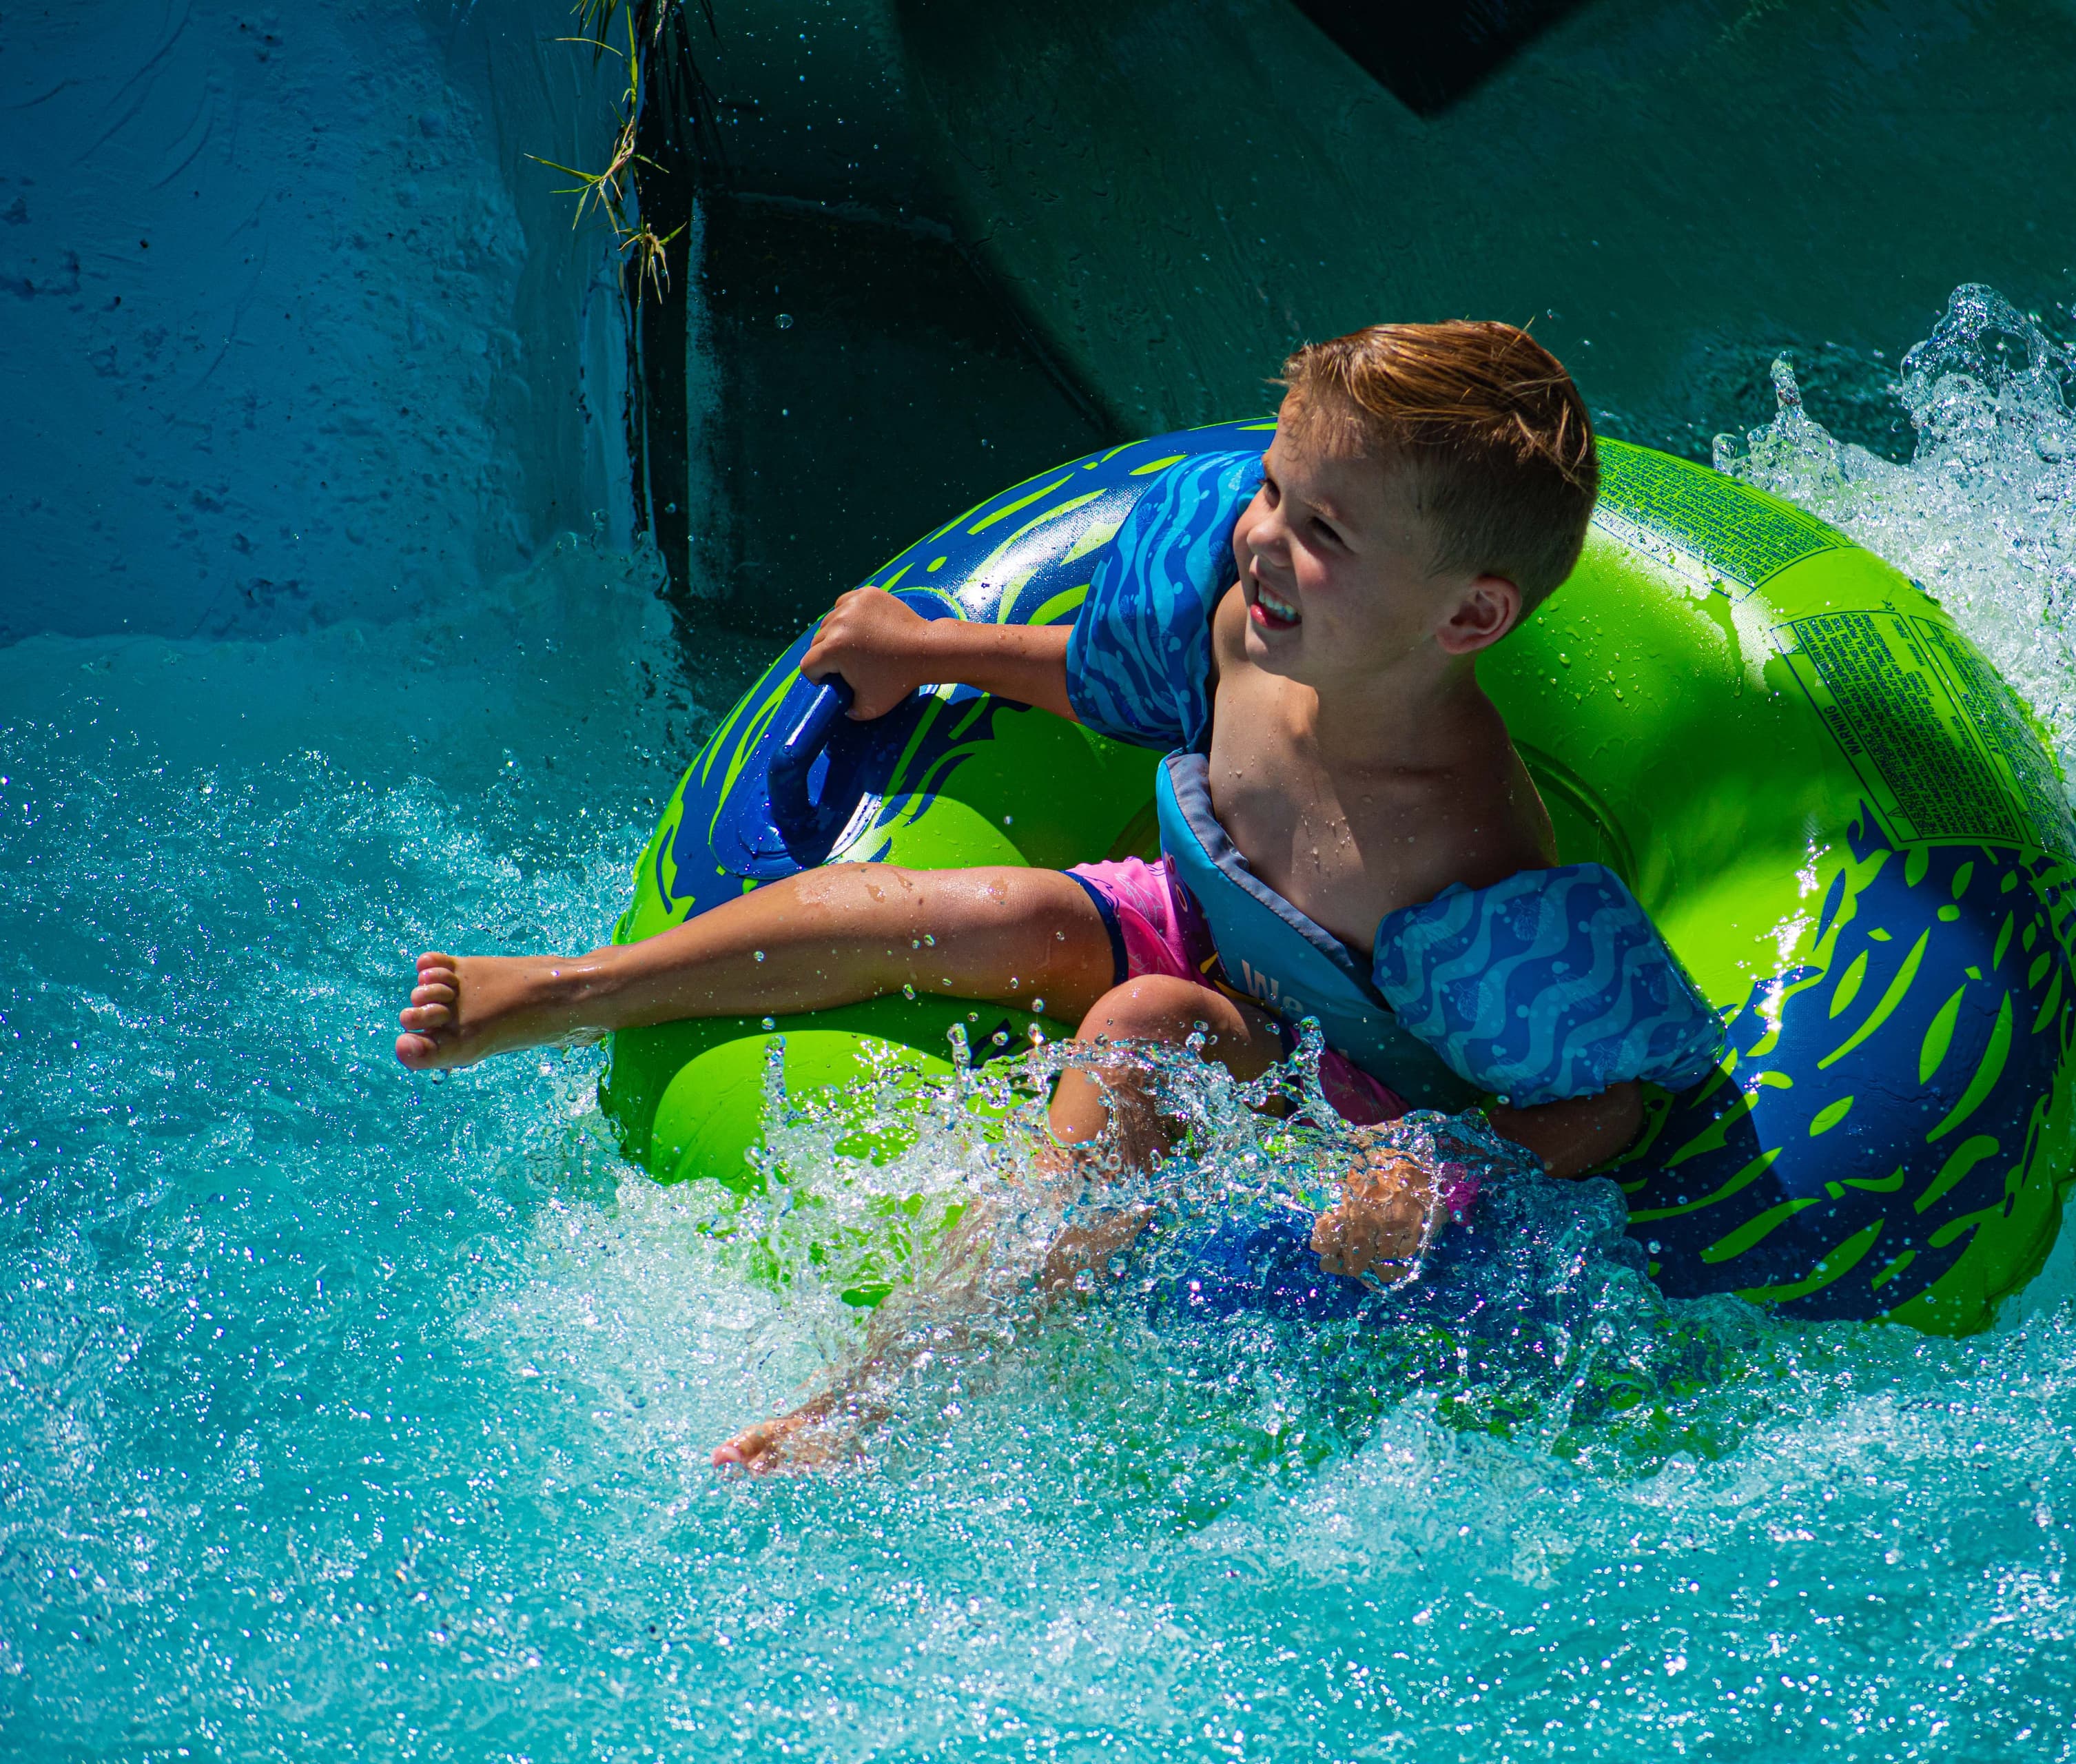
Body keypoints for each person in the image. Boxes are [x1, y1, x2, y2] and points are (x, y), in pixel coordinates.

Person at [392, 320, 1720, 1469]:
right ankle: (582, 986)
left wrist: (1435, 1181)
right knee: (979, 908)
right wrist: (927, 650)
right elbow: (1104, 682)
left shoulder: (1467, 847)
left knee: (1149, 1017)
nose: (1260, 537)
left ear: (1470, 619)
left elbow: (1603, 1094)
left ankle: (899, 1392)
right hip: (1201, 913)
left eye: (1323, 530)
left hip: (1334, 1072)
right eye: (1272, 489)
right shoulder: (1250, 627)